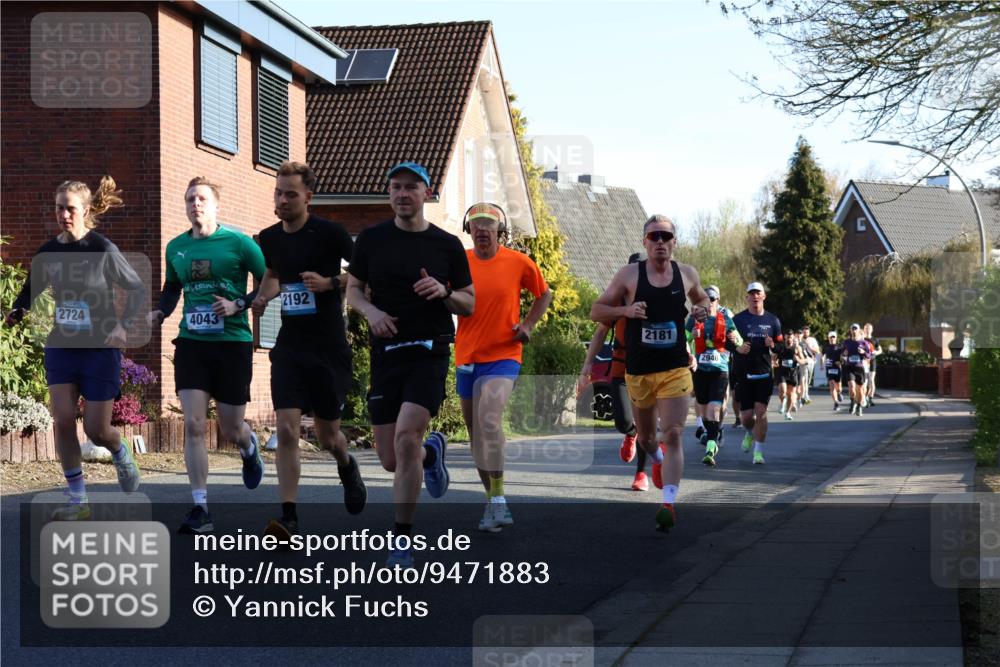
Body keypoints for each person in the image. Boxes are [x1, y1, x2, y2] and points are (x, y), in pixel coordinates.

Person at [346, 162, 474, 567]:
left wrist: (443, 291)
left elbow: (469, 302)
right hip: (386, 353)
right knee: (390, 458)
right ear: (390, 195)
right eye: (396, 188)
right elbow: (353, 290)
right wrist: (371, 313)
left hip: (429, 351)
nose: (403, 194)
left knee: (405, 440)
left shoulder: (447, 245)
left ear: (426, 193)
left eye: (411, 188)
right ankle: (431, 455)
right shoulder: (371, 239)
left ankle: (401, 538)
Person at [5, 176, 143, 519]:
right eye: (59, 208)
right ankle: (78, 500)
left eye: (70, 208)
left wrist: (121, 325)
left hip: (99, 348)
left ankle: (119, 449)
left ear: (85, 211)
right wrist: (18, 310)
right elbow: (31, 289)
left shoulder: (102, 248)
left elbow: (136, 288)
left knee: (97, 430)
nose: (63, 214)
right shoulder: (49, 251)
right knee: (63, 419)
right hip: (62, 345)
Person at [251, 162, 367, 539]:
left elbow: (366, 272)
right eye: (278, 193)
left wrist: (331, 281)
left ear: (308, 198)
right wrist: (262, 297)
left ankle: (346, 465)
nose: (282, 200)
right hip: (291, 347)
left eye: (291, 195)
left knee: (327, 435)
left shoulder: (330, 234)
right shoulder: (269, 237)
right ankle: (289, 517)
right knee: (286, 429)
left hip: (328, 347)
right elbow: (272, 274)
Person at [148, 177, 266, 534]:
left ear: (216, 206)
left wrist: (239, 303)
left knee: (230, 426)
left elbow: (268, 283)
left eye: (201, 199)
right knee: (195, 425)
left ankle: (248, 446)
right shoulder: (176, 247)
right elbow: (172, 288)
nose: (195, 205)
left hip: (232, 343)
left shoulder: (240, 244)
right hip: (192, 343)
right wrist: (160, 312)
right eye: (189, 200)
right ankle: (200, 506)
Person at [591, 215, 709, 532]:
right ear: (644, 242)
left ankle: (668, 503)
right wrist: (625, 311)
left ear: (674, 242)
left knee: (672, 432)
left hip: (674, 369)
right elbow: (597, 311)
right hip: (639, 371)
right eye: (653, 236)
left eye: (665, 236)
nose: (660, 242)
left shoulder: (686, 274)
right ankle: (655, 459)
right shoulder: (629, 275)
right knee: (644, 437)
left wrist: (702, 310)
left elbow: (701, 299)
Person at [455, 202, 551, 532]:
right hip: (467, 356)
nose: (482, 229)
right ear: (469, 230)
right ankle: (494, 499)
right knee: (475, 434)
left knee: (489, 419)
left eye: (489, 224)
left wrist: (528, 325)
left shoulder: (518, 262)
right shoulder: (459, 262)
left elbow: (544, 294)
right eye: (477, 224)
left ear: (499, 230)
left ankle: (497, 500)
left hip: (503, 354)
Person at [579, 253, 649, 491]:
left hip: (649, 371)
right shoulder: (617, 300)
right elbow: (599, 333)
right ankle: (630, 434)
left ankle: (640, 473)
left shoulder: (656, 298)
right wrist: (587, 365)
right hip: (620, 366)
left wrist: (686, 354)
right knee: (623, 421)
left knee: (646, 422)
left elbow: (674, 330)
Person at [686, 285, 740, 466]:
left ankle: (711, 447)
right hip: (700, 371)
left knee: (714, 409)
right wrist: (690, 339)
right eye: (707, 299)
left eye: (713, 299)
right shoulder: (693, 319)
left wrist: (734, 339)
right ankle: (711, 435)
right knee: (704, 410)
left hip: (719, 370)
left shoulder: (725, 317)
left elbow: (738, 340)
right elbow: (682, 340)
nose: (710, 303)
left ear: (718, 301)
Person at [732, 282, 783, 465]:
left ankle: (758, 453)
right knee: (746, 417)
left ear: (763, 296)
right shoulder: (738, 320)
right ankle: (749, 432)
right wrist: (738, 348)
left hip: (764, 374)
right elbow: (728, 343)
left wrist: (773, 346)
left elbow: (781, 346)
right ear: (747, 297)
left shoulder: (773, 320)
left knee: (761, 412)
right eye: (751, 293)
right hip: (744, 374)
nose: (755, 297)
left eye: (758, 293)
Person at [842, 323, 873, 416]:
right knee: (851, 387)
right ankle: (852, 402)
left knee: (860, 390)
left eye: (856, 329)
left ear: (859, 330)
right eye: (853, 329)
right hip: (849, 367)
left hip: (860, 368)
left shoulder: (864, 343)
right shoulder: (846, 342)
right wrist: (844, 353)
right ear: (850, 330)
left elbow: (869, 356)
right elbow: (842, 355)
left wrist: (863, 352)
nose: (854, 330)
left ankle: (859, 406)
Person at [775, 332, 806, 420]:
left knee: (791, 395)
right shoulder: (781, 347)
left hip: (793, 374)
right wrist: (775, 362)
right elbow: (774, 357)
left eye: (791, 337)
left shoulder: (797, 348)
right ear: (785, 337)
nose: (789, 339)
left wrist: (799, 360)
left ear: (793, 338)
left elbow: (803, 360)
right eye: (787, 337)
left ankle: (787, 413)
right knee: (782, 390)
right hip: (782, 373)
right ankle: (782, 403)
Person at [821, 331, 845, 411]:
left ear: (836, 338)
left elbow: (843, 356)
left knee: (838, 387)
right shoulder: (825, 346)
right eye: (831, 337)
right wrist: (822, 364)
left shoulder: (840, 346)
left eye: (833, 337)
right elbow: (822, 356)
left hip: (837, 367)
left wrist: (841, 362)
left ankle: (839, 393)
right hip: (829, 367)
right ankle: (836, 403)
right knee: (831, 386)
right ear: (828, 338)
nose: (832, 338)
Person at [863, 322, 883, 407]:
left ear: (872, 330)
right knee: (865, 381)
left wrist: (875, 352)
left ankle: (870, 398)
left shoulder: (875, 340)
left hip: (872, 361)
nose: (868, 330)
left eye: (869, 328)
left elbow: (880, 350)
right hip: (864, 362)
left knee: (871, 380)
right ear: (864, 329)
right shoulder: (862, 339)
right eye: (866, 328)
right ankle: (864, 397)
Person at [801, 325, 821, 399]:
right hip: (801, 361)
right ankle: (804, 394)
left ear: (809, 333)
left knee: (808, 379)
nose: (805, 333)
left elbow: (817, 351)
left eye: (807, 332)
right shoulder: (799, 339)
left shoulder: (812, 340)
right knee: (803, 377)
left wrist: (809, 346)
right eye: (804, 332)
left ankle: (805, 392)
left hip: (810, 361)